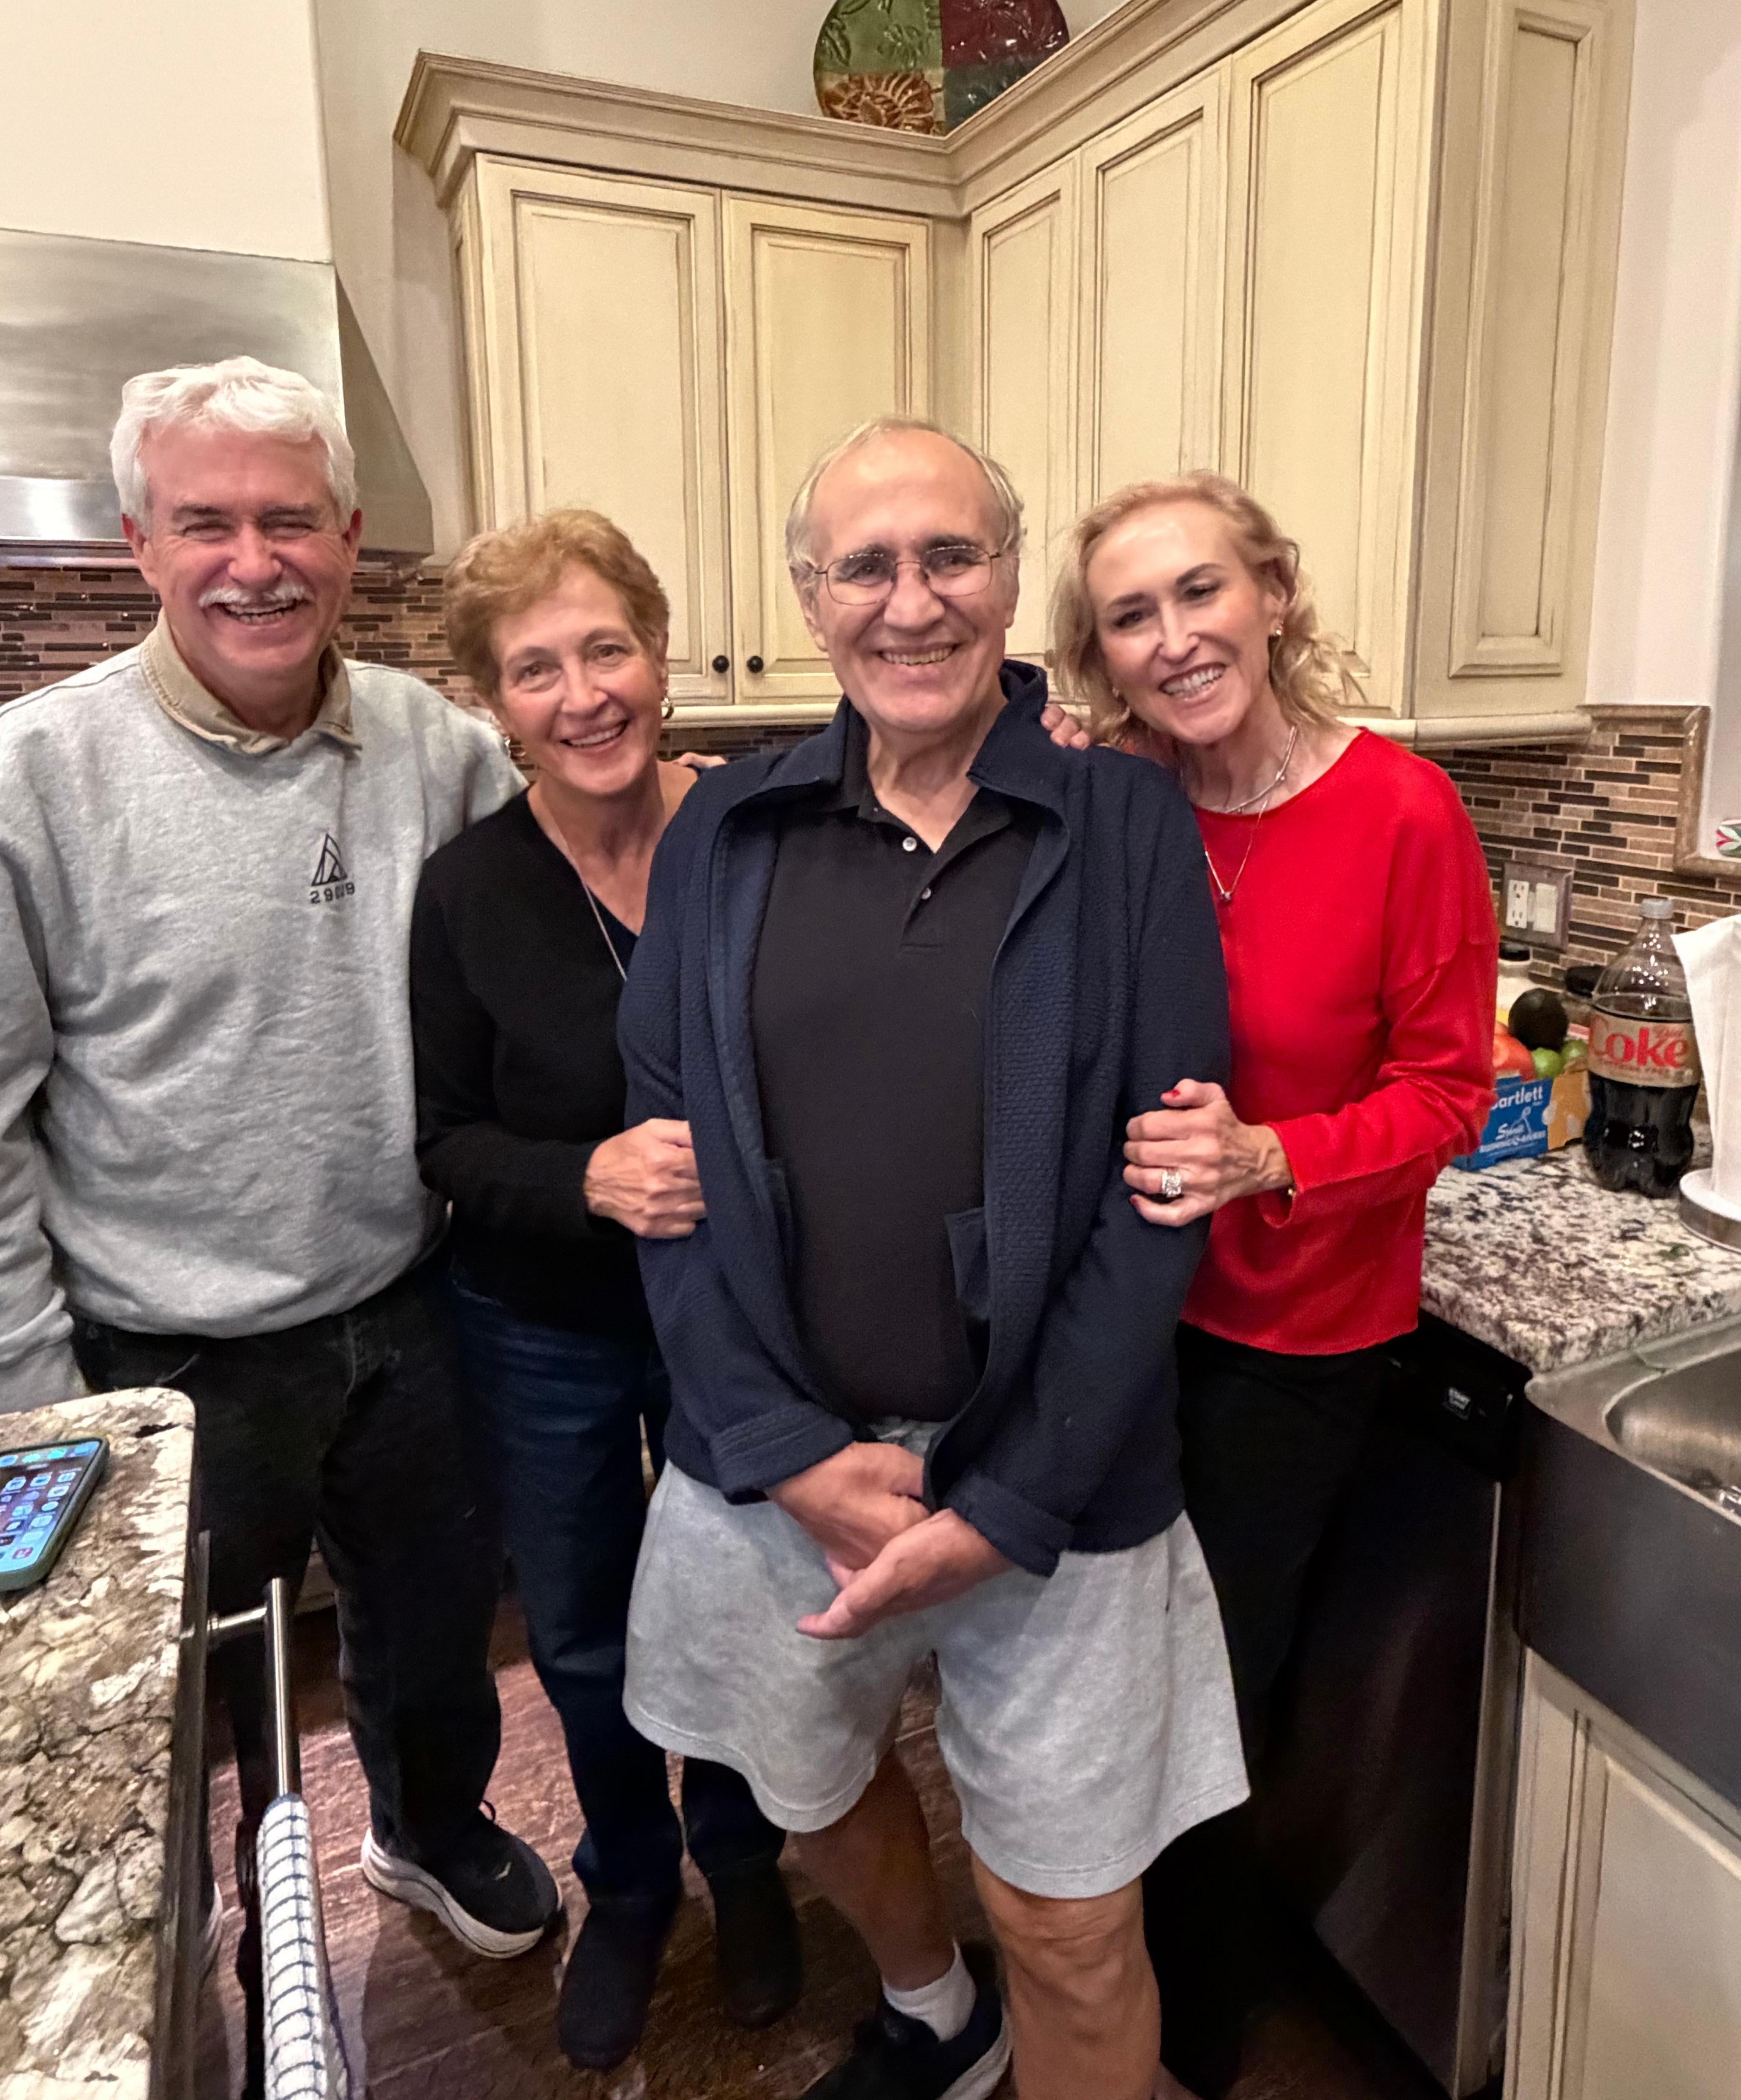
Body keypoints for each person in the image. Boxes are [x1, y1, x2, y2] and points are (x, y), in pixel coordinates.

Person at [615, 418, 1248, 2100]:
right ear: (808, 597)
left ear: (1010, 578)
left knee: (1072, 1920)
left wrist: (1013, 1497)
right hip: (784, 1464)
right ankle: (933, 2008)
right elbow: (666, 1168)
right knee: (804, 1789)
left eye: (951, 556)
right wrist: (786, 1452)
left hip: (1062, 1471)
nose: (912, 603)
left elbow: (1161, 1190)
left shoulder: (1125, 825)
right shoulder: (724, 830)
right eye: (867, 567)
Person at [0, 359, 560, 2076]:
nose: (255, 562)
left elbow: (582, 867)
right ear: (138, 543)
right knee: (182, 1709)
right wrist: (43, 1400)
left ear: (349, 534)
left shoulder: (437, 750)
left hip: (406, 1303)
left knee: (432, 1628)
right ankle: (204, 1961)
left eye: (289, 520)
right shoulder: (33, 777)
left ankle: (427, 1829)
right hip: (166, 1354)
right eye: (208, 524)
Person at [1050, 471, 1498, 2099]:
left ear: (1274, 596)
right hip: (1124, 1314)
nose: (1174, 638)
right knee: (1098, 1657)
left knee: (1215, 1686)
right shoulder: (1123, 802)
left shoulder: (1401, 813)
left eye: (1200, 592)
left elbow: (1450, 1092)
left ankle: (1193, 2014)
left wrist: (1272, 1157)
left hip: (1294, 1333)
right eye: (1131, 616)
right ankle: (1086, 1972)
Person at [409, 510, 802, 2071]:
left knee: (752, 1602)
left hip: (743, 1313)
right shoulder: (470, 891)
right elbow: (445, 1136)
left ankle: (750, 1861)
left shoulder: (758, 836)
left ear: (661, 653)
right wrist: (584, 1177)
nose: (582, 696)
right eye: (535, 670)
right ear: (491, 703)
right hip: (544, 1325)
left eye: (606, 650)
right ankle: (631, 1881)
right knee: (581, 1632)